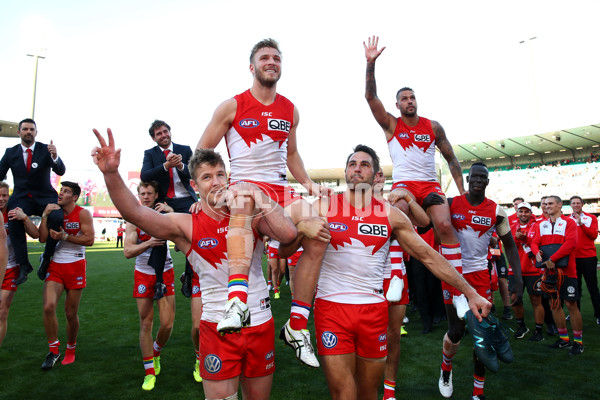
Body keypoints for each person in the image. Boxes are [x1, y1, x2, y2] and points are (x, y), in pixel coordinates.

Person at [91, 128, 296, 399]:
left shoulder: (250, 214)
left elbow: (289, 235)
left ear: (229, 177)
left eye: (220, 174)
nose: (216, 182)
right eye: (207, 177)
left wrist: (258, 195)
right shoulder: (186, 224)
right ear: (195, 186)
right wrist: (111, 174)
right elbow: (135, 212)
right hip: (216, 326)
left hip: (259, 323)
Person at [282, 145, 491, 400]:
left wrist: (470, 292)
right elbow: (285, 250)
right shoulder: (322, 206)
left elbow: (429, 257)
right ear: (346, 171)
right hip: (332, 310)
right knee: (345, 394)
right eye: (352, 164)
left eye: (364, 164)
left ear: (377, 174)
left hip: (374, 312)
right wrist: (303, 228)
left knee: (369, 392)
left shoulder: (390, 215)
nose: (357, 168)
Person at [197, 38, 330, 367]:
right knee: (243, 197)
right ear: (252, 67)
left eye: (276, 58)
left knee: (320, 229)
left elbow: (292, 153)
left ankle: (297, 325)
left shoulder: (290, 109)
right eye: (264, 58)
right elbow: (203, 153)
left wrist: (309, 184)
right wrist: (209, 193)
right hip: (244, 188)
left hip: (280, 192)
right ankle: (237, 300)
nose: (271, 62)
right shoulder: (232, 106)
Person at [363, 37, 471, 323]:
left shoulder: (432, 127)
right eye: (405, 99)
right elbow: (371, 99)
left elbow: (452, 159)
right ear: (397, 105)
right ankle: (397, 275)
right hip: (404, 185)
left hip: (431, 186)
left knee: (446, 226)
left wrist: (460, 193)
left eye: (413, 97)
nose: (410, 101)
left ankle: (457, 293)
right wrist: (370, 64)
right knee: (400, 216)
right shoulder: (392, 125)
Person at [437, 162, 523, 400]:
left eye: (481, 177)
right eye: (473, 176)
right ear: (468, 179)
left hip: (479, 277)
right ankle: (446, 369)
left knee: (482, 335)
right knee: (456, 331)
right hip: (452, 274)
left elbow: (510, 246)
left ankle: (478, 393)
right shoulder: (451, 204)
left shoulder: (496, 211)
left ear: (487, 181)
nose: (477, 180)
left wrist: (518, 278)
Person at [123, 181, 176, 391]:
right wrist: (149, 242)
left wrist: (172, 212)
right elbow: (128, 251)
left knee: (167, 324)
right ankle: (148, 372)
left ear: (156, 195)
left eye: (149, 193)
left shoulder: (165, 216)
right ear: (139, 195)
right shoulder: (133, 220)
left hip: (165, 271)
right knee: (146, 323)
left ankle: (156, 352)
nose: (145, 196)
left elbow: (182, 242)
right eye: (142, 193)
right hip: (143, 273)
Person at [0, 118, 66, 285]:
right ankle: (24, 264)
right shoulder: (10, 152)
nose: (28, 132)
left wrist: (55, 156)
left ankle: (47, 257)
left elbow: (61, 171)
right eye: (25, 129)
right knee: (13, 216)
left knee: (58, 218)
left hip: (44, 196)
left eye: (31, 129)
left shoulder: (45, 150)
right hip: (22, 197)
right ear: (19, 132)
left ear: (36, 132)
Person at [39, 181, 94, 369]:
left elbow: (90, 239)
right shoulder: (54, 212)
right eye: (61, 190)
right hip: (56, 265)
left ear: (75, 197)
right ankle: (53, 350)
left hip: (76, 264)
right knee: (48, 306)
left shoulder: (83, 213)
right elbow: (42, 238)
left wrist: (66, 237)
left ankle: (71, 348)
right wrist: (45, 216)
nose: (61, 193)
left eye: (66, 191)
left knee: (70, 313)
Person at [141, 120, 198, 299]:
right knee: (158, 237)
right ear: (153, 138)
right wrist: (166, 166)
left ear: (170, 132)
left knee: (195, 235)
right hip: (163, 200)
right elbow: (145, 175)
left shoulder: (185, 149)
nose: (164, 135)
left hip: (186, 199)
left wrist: (180, 166)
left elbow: (194, 173)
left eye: (165, 131)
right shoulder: (150, 154)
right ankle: (159, 282)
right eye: (159, 134)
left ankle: (188, 275)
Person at [531, 195, 584, 355]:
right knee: (554, 304)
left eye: (550, 203)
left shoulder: (569, 222)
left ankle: (578, 342)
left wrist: (552, 259)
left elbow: (570, 244)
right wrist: (537, 253)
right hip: (549, 271)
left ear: (560, 205)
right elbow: (534, 242)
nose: (547, 206)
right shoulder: (542, 224)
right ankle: (564, 339)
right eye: (545, 204)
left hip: (567, 271)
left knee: (570, 305)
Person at [1, 182, 41, 347]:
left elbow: (36, 234)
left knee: (2, 311)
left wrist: (24, 217)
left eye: (4, 195)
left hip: (11, 268)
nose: (1, 198)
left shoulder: (13, 213)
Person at [509, 202, 545, 341]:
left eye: (526, 212)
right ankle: (521, 326)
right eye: (521, 211)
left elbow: (538, 244)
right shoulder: (512, 227)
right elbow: (508, 244)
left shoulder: (537, 226)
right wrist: (517, 239)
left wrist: (526, 239)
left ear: (531, 213)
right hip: (515, 269)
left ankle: (538, 330)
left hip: (533, 269)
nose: (523, 214)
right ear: (517, 212)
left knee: (536, 299)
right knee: (514, 298)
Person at [569, 195, 600, 325]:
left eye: (578, 203)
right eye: (573, 203)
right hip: (572, 259)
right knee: (575, 288)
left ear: (582, 204)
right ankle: (575, 314)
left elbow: (593, 235)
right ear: (571, 205)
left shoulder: (591, 218)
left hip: (588, 258)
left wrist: (581, 223)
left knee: (592, 287)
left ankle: (598, 314)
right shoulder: (566, 219)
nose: (576, 205)